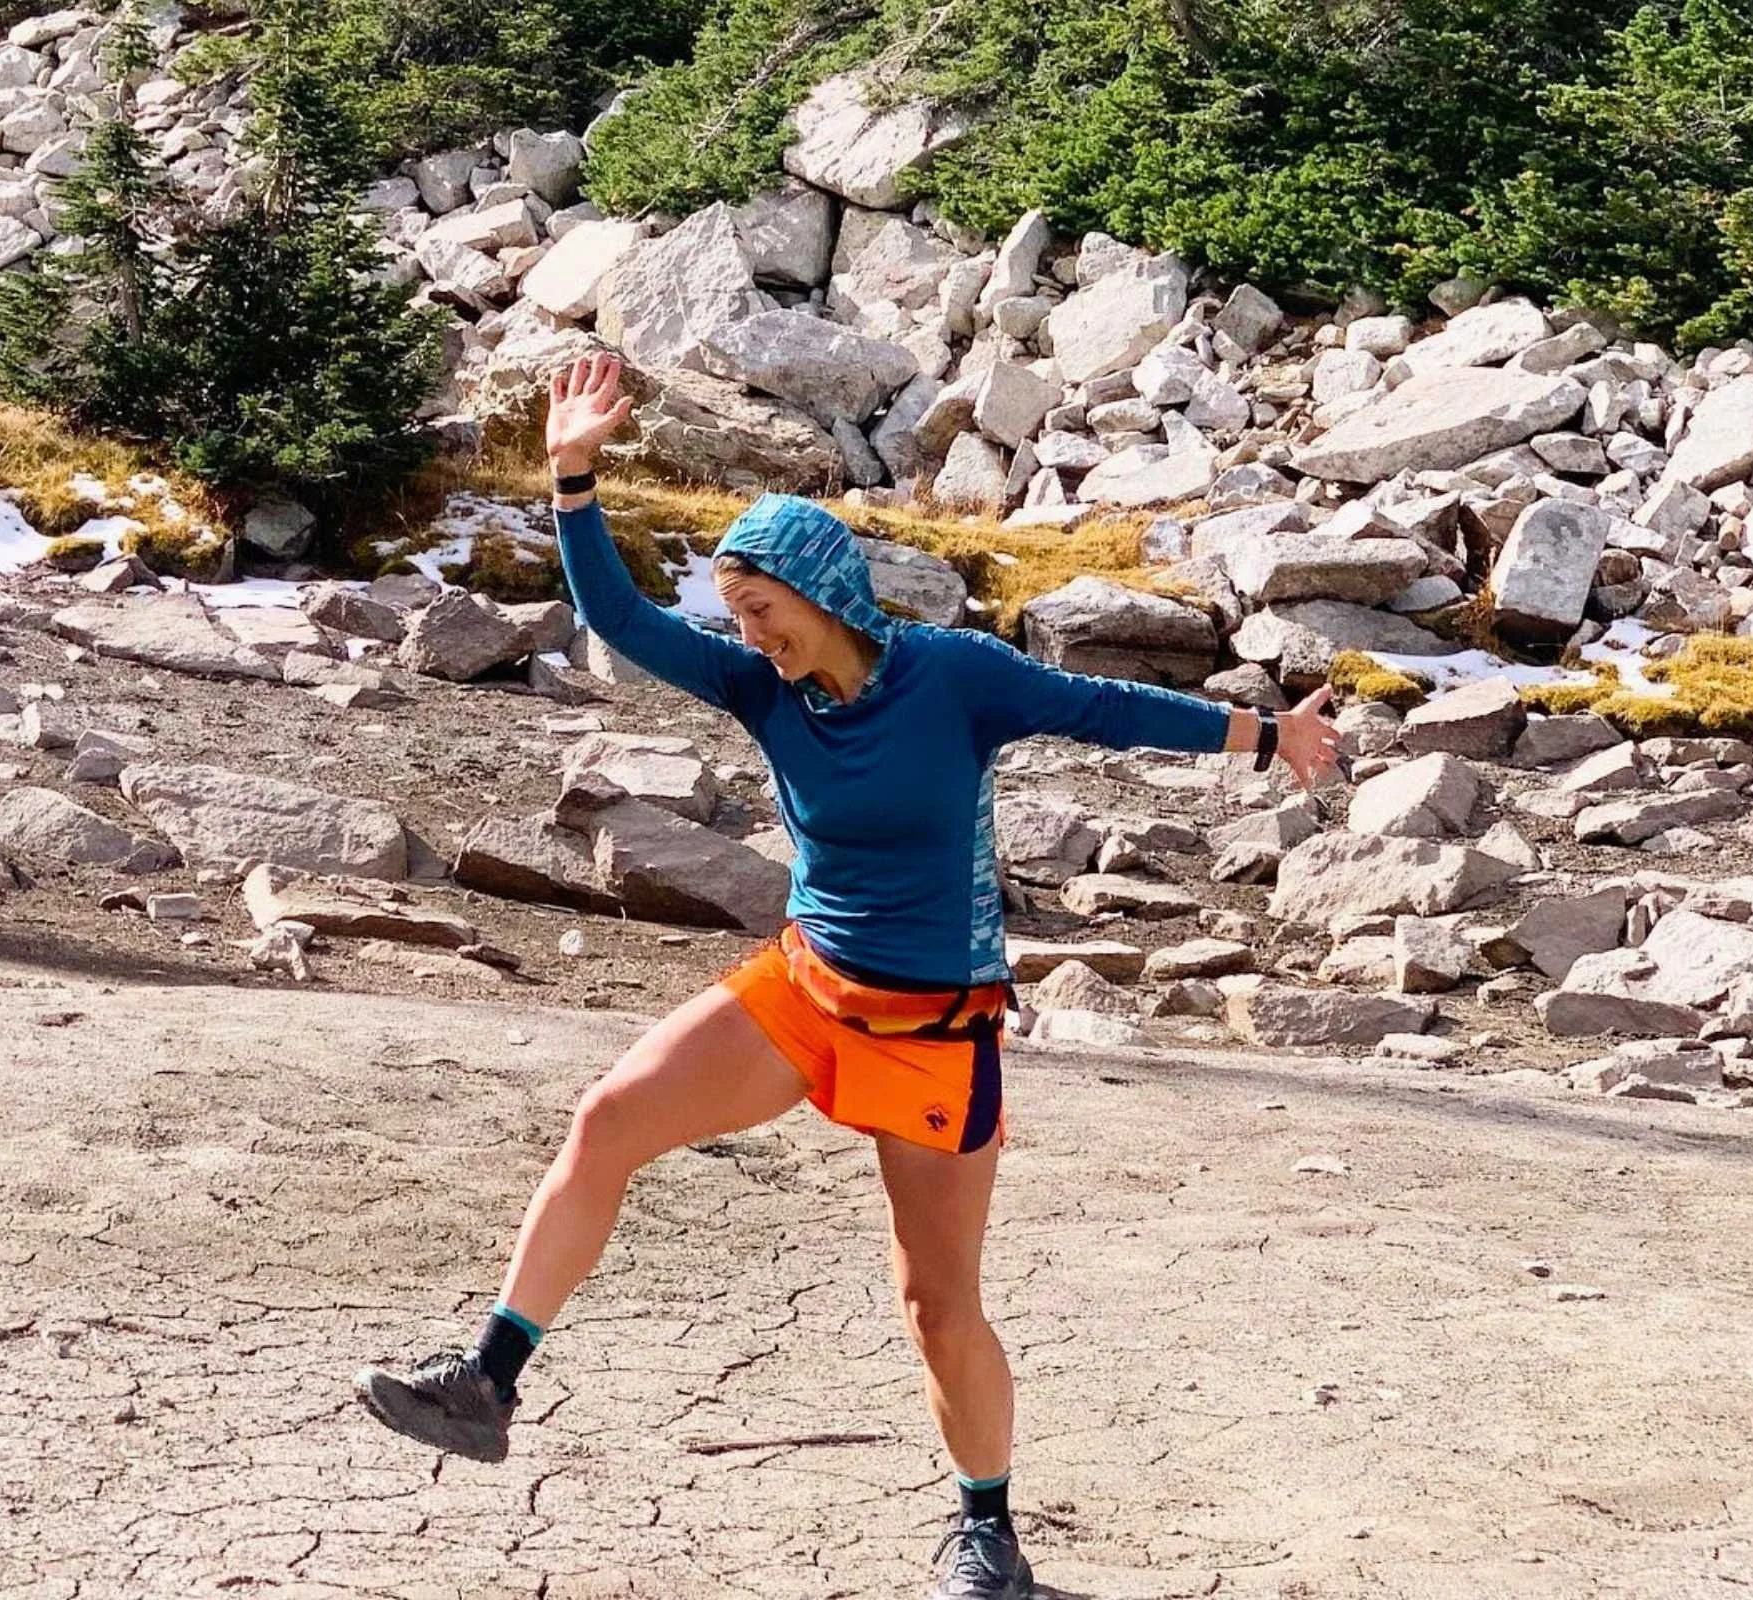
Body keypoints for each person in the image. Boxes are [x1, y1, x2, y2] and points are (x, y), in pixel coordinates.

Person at [355, 354, 1342, 1599]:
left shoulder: (954, 678)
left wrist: (1267, 734)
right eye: (736, 608)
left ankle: (988, 1533)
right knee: (606, 1119)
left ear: (822, 591)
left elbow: (1098, 707)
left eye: (761, 605)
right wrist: (572, 477)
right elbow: (619, 620)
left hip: (935, 1028)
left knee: (937, 1303)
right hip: (808, 992)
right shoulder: (761, 692)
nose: (747, 632)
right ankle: (488, 1379)